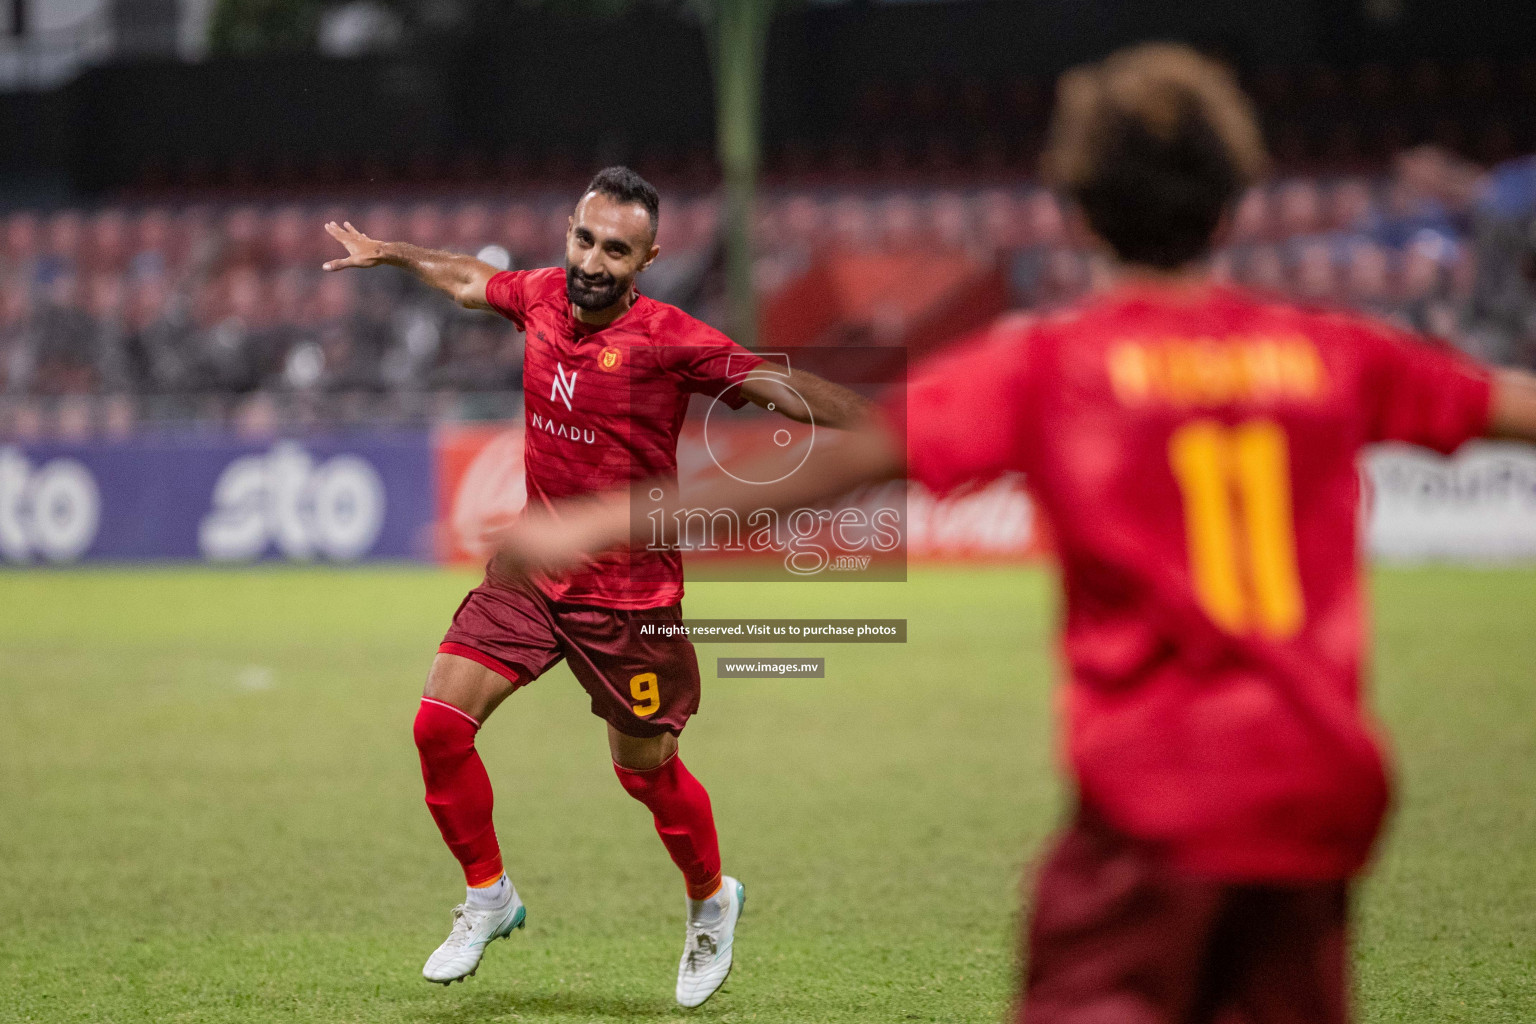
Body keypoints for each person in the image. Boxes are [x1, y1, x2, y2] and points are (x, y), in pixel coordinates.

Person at [484, 48, 1536, 1024]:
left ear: (1077, 209)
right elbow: (1508, 406)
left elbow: (841, 462)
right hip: (1321, 809)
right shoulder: (1336, 354)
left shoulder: (1054, 365)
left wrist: (612, 518)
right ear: (1233, 198)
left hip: (1153, 817)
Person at [321, 166, 869, 1004]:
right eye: (585, 239)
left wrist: (894, 430)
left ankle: (711, 899)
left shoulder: (671, 338)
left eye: (617, 250)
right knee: (438, 727)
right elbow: (471, 278)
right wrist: (389, 253)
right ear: (569, 233)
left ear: (646, 260)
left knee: (645, 774)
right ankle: (488, 894)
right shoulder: (538, 297)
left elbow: (775, 386)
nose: (593, 261)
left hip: (628, 601)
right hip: (531, 573)